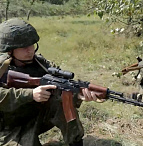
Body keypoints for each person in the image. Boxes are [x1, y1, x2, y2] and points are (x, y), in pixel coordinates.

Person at [0, 18, 103, 146]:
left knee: (62, 103)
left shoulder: (42, 65)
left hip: (36, 117)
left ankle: (75, 142)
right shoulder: (2, 68)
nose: (30, 50)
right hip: (9, 127)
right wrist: (30, 94)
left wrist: (78, 95)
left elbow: (62, 87)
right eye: (23, 47)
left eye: (31, 45)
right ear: (10, 50)